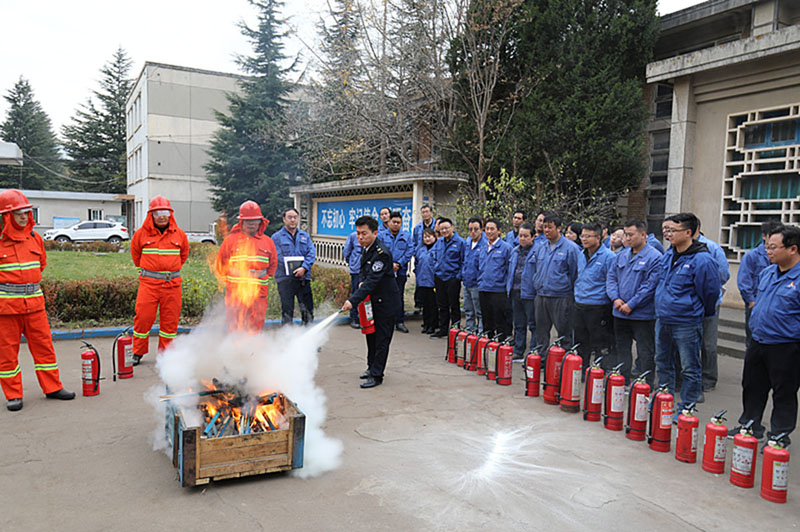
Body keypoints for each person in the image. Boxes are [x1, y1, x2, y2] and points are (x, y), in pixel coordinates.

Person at [0, 190, 75, 411]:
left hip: (34, 306)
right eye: (18, 213)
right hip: (6, 309)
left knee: (45, 349)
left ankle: (52, 388)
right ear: (6, 216)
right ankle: (13, 394)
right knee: (7, 353)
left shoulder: (35, 239)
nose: (24, 217)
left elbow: (40, 266)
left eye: (26, 212)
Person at [731, 225, 800, 446]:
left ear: (793, 249)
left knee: (784, 392)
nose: (767, 251)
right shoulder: (768, 272)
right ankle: (751, 425)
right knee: (752, 386)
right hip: (758, 340)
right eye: (766, 246)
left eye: (773, 247)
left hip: (786, 345)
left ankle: (779, 435)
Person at [654, 213, 720, 417]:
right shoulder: (669, 254)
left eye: (672, 230)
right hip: (663, 318)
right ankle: (664, 400)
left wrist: (696, 311)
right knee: (663, 362)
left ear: (688, 232)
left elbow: (710, 293)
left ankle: (687, 407)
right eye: (665, 230)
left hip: (686, 322)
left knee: (690, 366)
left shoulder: (702, 259)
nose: (667, 234)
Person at [341, 216, 400, 389]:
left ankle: (377, 375)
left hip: (386, 303)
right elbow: (363, 273)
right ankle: (371, 367)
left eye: (364, 233)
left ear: (375, 233)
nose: (360, 237)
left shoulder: (382, 254)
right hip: (372, 302)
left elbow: (372, 281)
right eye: (358, 233)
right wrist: (360, 282)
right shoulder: (366, 249)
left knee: (382, 339)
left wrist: (353, 300)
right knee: (370, 335)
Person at [130, 196, 189, 365]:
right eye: (158, 213)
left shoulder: (180, 235)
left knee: (170, 323)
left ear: (170, 214)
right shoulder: (141, 235)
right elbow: (136, 256)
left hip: (172, 286)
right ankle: (138, 352)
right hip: (149, 285)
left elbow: (183, 255)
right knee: (143, 319)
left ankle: (166, 355)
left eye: (165, 212)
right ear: (151, 215)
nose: (162, 216)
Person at [606, 219, 662, 385]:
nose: (627, 239)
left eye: (631, 235)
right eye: (625, 235)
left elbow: (650, 286)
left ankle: (645, 383)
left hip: (642, 314)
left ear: (643, 235)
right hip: (619, 312)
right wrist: (615, 299)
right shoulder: (622, 254)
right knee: (622, 349)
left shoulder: (655, 257)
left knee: (645, 350)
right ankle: (622, 381)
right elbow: (611, 278)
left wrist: (631, 304)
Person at [215, 201, 278, 333]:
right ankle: (236, 352)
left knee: (256, 327)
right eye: (247, 220)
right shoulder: (230, 241)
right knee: (235, 326)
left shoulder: (268, 242)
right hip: (236, 295)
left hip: (259, 295)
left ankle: (253, 352)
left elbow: (272, 267)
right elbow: (220, 266)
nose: (251, 223)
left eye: (254, 220)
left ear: (260, 221)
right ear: (241, 221)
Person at [533, 212, 581, 351]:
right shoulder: (541, 246)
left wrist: (566, 288)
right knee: (541, 332)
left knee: (564, 332)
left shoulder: (571, 248)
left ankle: (565, 359)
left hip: (561, 296)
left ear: (559, 228)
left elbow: (574, 273)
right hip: (541, 295)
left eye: (550, 227)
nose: (546, 230)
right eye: (545, 227)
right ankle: (541, 358)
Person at [694, 220, 730, 396]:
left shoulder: (712, 248)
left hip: (709, 304)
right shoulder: (675, 249)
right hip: (687, 307)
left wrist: (708, 289)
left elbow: (723, 274)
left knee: (708, 344)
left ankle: (708, 378)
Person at [573, 222, 616, 371]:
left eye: (588, 236)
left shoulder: (609, 257)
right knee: (580, 341)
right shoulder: (580, 254)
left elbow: (611, 281)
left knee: (600, 343)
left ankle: (599, 372)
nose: (584, 239)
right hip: (580, 304)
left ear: (598, 238)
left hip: (598, 306)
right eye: (582, 236)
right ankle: (582, 369)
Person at [737, 221, 781, 348]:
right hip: (756, 303)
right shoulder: (752, 256)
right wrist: (751, 302)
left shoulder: (783, 257)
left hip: (776, 305)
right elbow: (744, 281)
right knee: (753, 341)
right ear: (764, 236)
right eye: (771, 235)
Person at [272, 208, 316, 326]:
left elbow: (311, 253)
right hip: (285, 280)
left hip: (303, 279)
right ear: (284, 219)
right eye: (289, 217)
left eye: (295, 217)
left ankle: (309, 340)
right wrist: (291, 269)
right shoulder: (276, 237)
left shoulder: (305, 236)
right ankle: (287, 340)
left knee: (307, 310)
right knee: (287, 311)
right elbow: (277, 256)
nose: (292, 220)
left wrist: (304, 268)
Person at [477, 219, 513, 339]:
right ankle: (487, 346)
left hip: (498, 290)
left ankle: (500, 346)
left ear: (499, 230)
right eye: (487, 229)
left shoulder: (506, 248)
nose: (489, 231)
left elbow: (509, 270)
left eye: (492, 229)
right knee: (487, 321)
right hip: (484, 288)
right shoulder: (482, 247)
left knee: (500, 321)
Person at [506, 222, 536, 360]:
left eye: (526, 236)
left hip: (530, 294)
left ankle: (533, 353)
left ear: (533, 237)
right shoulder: (515, 251)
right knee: (518, 324)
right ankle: (518, 350)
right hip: (515, 291)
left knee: (533, 324)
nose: (522, 238)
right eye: (520, 236)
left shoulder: (538, 252)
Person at [432, 217, 465, 336]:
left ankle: (455, 330)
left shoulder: (460, 242)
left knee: (454, 305)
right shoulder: (439, 242)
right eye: (442, 229)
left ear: (452, 228)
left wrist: (458, 277)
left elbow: (463, 261)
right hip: (440, 277)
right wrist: (436, 268)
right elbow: (434, 256)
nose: (444, 231)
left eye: (446, 228)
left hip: (452, 278)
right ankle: (443, 330)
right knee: (442, 305)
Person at [384, 211, 412, 333]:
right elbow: (379, 251)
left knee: (398, 296)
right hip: (385, 272)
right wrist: (390, 264)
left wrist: (399, 264)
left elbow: (409, 251)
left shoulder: (406, 236)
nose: (396, 224)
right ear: (389, 222)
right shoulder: (381, 236)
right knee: (385, 297)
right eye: (393, 222)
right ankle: (386, 321)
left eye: (398, 222)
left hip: (400, 271)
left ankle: (399, 321)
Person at [461, 217, 486, 333]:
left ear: (482, 229)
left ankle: (480, 335)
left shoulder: (485, 244)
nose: (473, 232)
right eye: (470, 229)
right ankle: (470, 332)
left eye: (476, 229)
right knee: (468, 310)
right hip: (467, 282)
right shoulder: (467, 242)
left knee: (479, 312)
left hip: (477, 284)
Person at [411, 204, 437, 311]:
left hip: (433, 258)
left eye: (427, 212)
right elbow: (414, 243)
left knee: (433, 292)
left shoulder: (437, 226)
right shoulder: (417, 228)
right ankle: (419, 304)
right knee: (420, 285)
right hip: (421, 258)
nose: (425, 214)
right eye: (423, 212)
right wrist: (417, 254)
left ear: (431, 212)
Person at [415, 228, 438, 334]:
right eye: (425, 237)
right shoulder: (420, 249)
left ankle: (432, 325)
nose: (427, 239)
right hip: (422, 281)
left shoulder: (437, 249)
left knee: (432, 305)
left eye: (429, 236)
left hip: (432, 282)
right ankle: (426, 324)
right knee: (425, 305)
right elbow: (416, 264)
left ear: (434, 237)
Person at [343, 230, 362, 329]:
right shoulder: (353, 236)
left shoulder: (373, 235)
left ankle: (365, 319)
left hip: (368, 270)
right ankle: (354, 317)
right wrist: (352, 263)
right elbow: (346, 252)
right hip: (357, 270)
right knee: (356, 293)